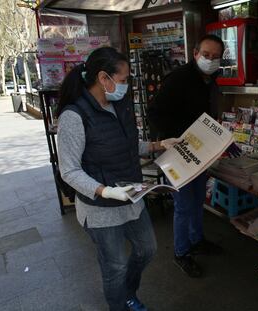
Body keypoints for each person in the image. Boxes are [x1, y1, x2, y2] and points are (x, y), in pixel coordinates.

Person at [57, 47, 180, 311]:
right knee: (115, 265)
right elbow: (69, 170)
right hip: (100, 208)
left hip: (131, 196)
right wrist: (104, 191)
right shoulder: (74, 117)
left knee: (147, 250)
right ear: (104, 78)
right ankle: (120, 304)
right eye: (123, 80)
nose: (125, 85)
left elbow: (127, 144)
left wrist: (158, 145)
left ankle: (127, 292)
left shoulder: (120, 104)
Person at [148, 35, 240, 278]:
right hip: (177, 151)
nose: (210, 60)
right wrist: (165, 142)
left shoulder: (210, 79)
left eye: (215, 57)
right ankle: (181, 252)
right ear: (195, 53)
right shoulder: (178, 79)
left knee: (198, 198)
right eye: (206, 55)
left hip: (200, 151)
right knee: (183, 205)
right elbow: (155, 113)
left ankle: (197, 240)